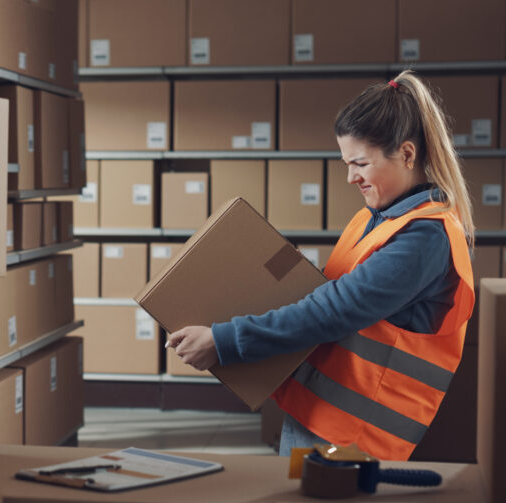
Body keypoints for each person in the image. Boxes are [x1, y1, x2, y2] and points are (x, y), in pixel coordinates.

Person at [165, 70, 475, 461]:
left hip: (354, 439)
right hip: (318, 418)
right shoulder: (376, 218)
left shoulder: (425, 238)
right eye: (346, 163)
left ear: (408, 154)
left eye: (360, 163)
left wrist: (224, 342)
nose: (350, 177)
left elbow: (333, 310)